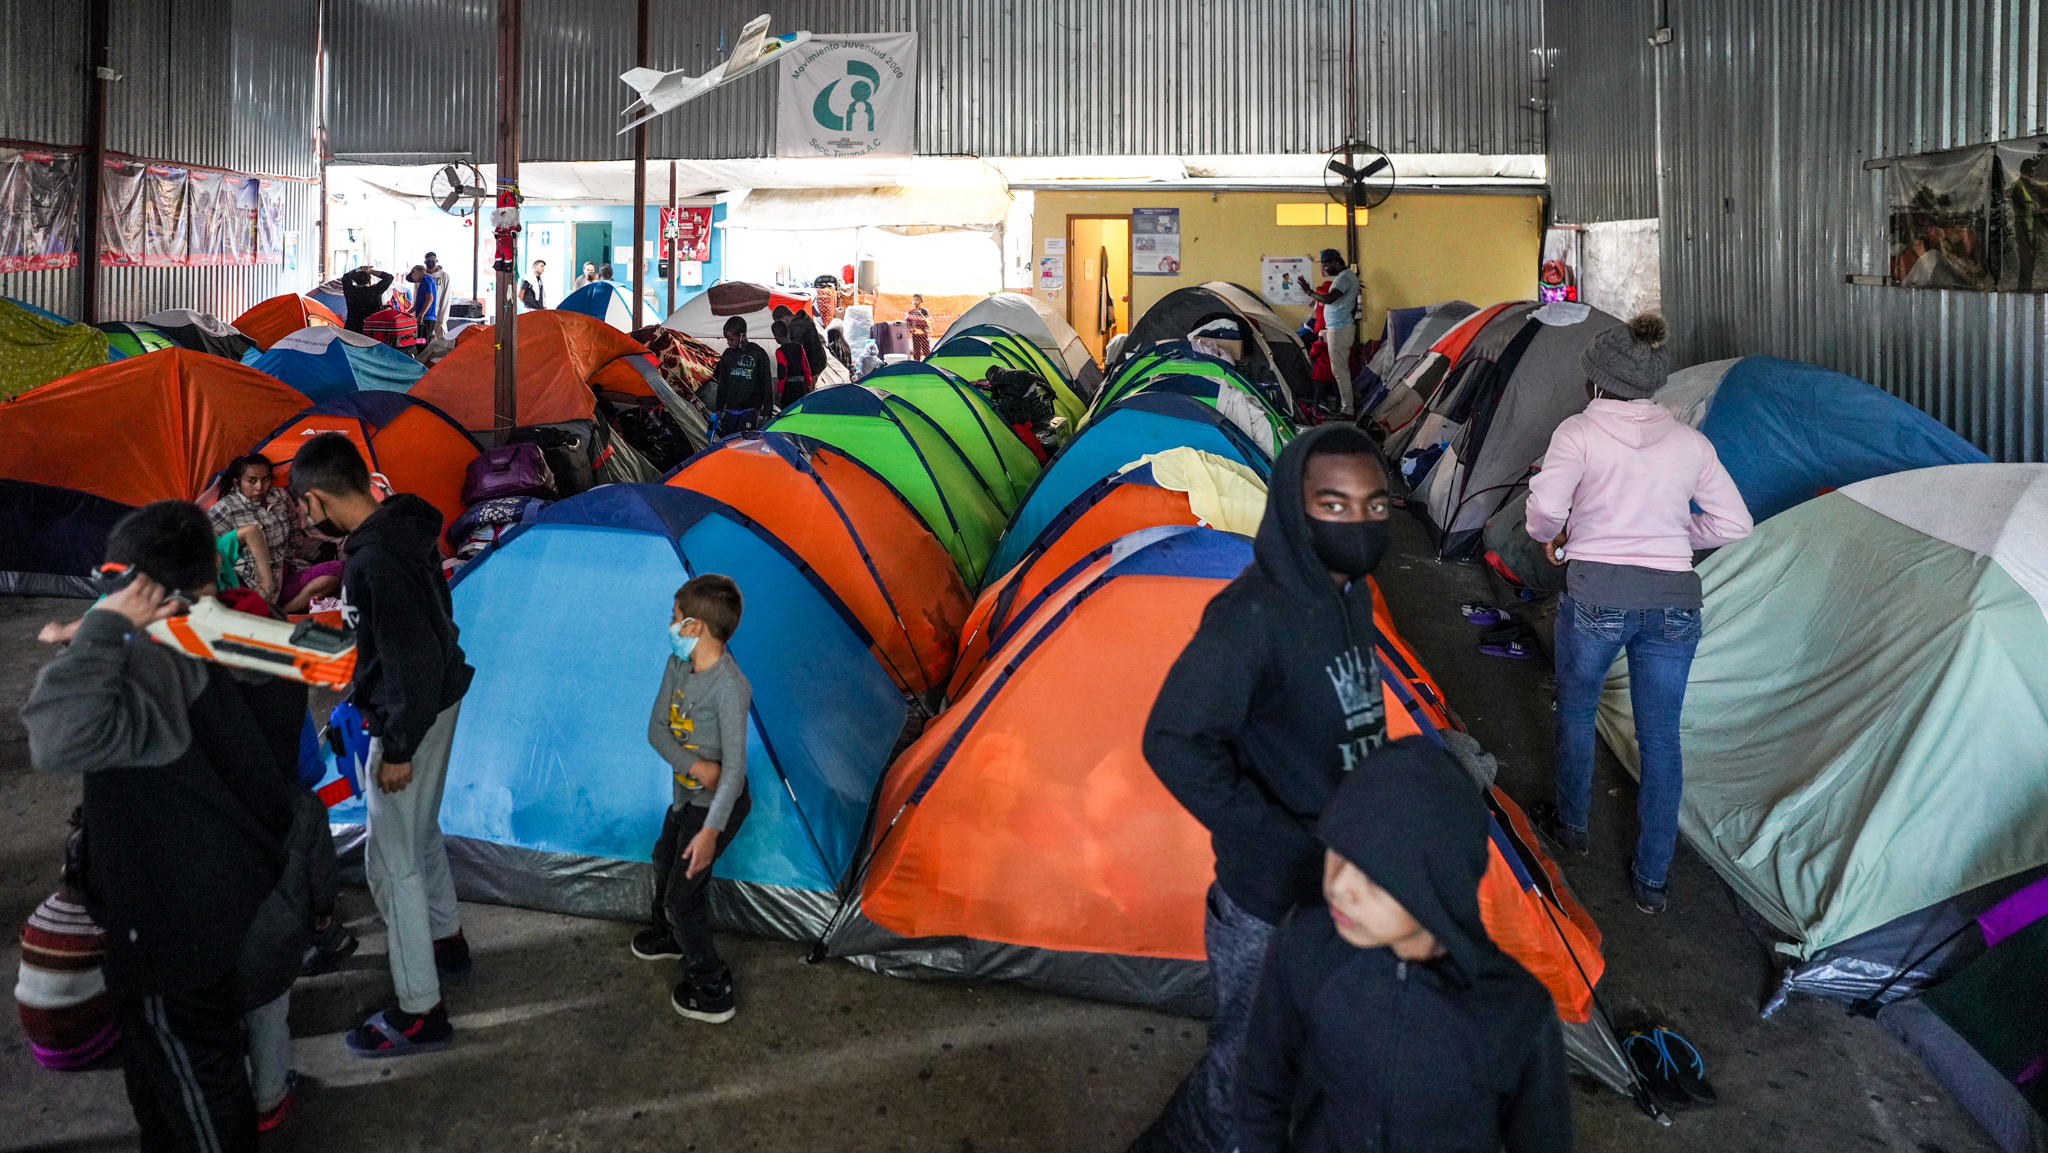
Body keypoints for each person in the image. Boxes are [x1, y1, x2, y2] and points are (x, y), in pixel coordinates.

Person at [1131, 424, 1394, 1153]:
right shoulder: (1253, 616)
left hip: (1343, 887)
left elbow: (1343, 718)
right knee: (1246, 1082)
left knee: (1293, 1061)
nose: (1360, 523)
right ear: (1292, 508)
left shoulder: (1352, 594)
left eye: (1375, 506)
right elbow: (1174, 740)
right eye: (1334, 505)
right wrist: (1285, 842)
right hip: (1269, 904)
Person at [22, 501, 310, 1152]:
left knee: (192, 1085)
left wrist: (100, 635)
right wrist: (102, 639)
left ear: (137, 589)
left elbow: (54, 736)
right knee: (176, 1073)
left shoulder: (155, 671)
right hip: (241, 898)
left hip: (171, 938)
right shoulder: (255, 637)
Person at [1237, 739, 1573, 1153]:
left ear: (1439, 889)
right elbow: (1260, 1086)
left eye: (1375, 876)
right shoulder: (1306, 944)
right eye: (1336, 850)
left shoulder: (1515, 1012)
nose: (1340, 887)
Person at [1523, 314, 1752, 915]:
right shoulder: (1690, 442)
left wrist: (1557, 535)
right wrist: (1676, 532)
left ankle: (1572, 827)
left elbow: (1545, 510)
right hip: (1675, 605)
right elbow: (1735, 523)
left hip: (1596, 594)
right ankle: (1652, 878)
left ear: (1596, 381)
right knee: (1661, 739)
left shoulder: (1577, 432)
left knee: (1576, 711)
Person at [288, 433, 477, 1056]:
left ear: (316, 500)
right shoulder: (407, 526)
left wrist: (396, 745)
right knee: (420, 833)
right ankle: (445, 940)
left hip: (409, 716)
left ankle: (420, 1010)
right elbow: (431, 630)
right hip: (443, 697)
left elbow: (409, 657)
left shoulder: (372, 562)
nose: (301, 518)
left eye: (300, 507)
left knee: (388, 862)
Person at [631, 575, 753, 1024]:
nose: (670, 624)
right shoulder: (677, 665)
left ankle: (712, 986)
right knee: (664, 858)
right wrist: (697, 768)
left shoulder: (730, 688)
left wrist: (710, 832)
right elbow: (655, 730)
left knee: (686, 897)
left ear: (695, 627)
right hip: (689, 796)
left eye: (675, 618)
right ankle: (671, 935)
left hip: (717, 808)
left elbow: (735, 774)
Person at [207, 455, 343, 614]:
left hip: (283, 577)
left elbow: (294, 532)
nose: (259, 486)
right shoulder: (225, 508)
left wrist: (290, 560)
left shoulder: (280, 497)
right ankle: (266, 612)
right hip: (250, 587)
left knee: (337, 570)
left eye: (265, 479)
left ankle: (281, 613)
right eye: (251, 481)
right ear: (237, 482)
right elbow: (207, 548)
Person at [1296, 249, 1360, 414]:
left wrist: (1309, 292)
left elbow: (1329, 299)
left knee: (1340, 371)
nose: (1325, 269)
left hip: (1339, 329)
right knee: (1339, 370)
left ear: (1335, 262)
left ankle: (1348, 409)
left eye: (1326, 265)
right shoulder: (1348, 277)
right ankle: (1346, 407)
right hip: (1340, 327)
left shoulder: (1344, 277)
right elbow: (1350, 308)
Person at [708, 316, 773, 436]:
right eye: (727, 339)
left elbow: (767, 383)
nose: (728, 342)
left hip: (750, 409)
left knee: (745, 444)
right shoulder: (727, 355)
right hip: (731, 410)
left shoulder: (758, 354)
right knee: (729, 442)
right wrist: (719, 408)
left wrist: (767, 412)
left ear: (742, 336)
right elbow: (723, 383)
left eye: (732, 339)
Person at [774, 318, 815, 408]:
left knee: (788, 411)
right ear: (788, 333)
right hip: (801, 385)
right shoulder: (799, 347)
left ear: (776, 337)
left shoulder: (780, 351)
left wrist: (779, 391)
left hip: (788, 388)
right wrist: (808, 383)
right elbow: (806, 367)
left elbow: (782, 373)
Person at [341, 265, 394, 333]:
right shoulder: (375, 291)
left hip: (352, 330)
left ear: (355, 281)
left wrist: (358, 269)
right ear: (369, 281)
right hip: (372, 331)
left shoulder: (350, 292)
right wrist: (371, 271)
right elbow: (389, 278)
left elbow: (345, 277)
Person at [405, 265, 438, 352]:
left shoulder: (426, 279)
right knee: (420, 343)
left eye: (413, 278)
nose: (415, 281)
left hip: (426, 318)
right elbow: (417, 304)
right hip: (425, 317)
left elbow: (430, 298)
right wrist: (406, 313)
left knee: (422, 345)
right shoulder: (427, 280)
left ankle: (422, 363)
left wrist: (421, 316)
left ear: (415, 271)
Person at [423, 252, 450, 340]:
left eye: (432, 260)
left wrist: (443, 317)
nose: (430, 262)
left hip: (439, 315)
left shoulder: (444, 276)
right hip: (425, 315)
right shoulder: (422, 276)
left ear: (436, 261)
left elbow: (446, 297)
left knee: (440, 341)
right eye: (428, 261)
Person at [906, 293, 932, 360]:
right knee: (916, 349)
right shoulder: (911, 312)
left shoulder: (924, 311)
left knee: (926, 349)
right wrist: (911, 329)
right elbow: (908, 322)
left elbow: (927, 322)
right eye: (913, 300)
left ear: (922, 301)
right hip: (915, 333)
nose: (915, 302)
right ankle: (916, 362)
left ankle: (928, 361)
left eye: (917, 300)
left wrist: (926, 330)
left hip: (924, 333)